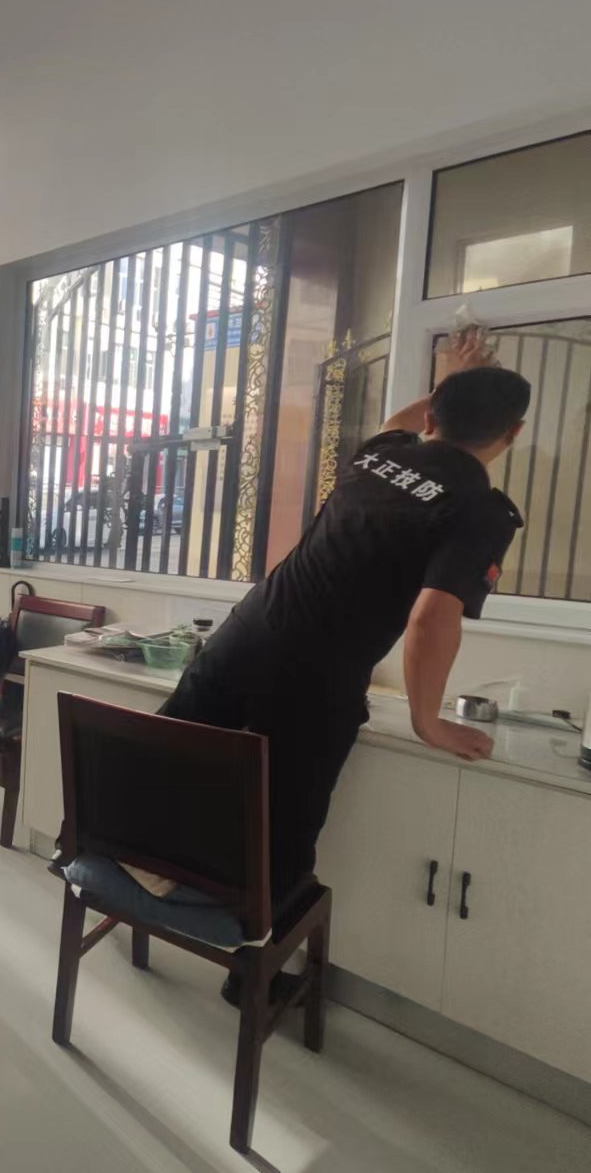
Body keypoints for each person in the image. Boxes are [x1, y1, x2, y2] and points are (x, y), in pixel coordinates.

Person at [159, 328, 527, 999]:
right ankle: (252, 982)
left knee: (164, 756)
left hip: (244, 635)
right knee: (282, 833)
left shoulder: (380, 456)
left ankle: (129, 873)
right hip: (313, 679)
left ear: (431, 416)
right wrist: (428, 722)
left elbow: (401, 423)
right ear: (513, 434)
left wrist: (447, 378)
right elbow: (431, 619)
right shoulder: (480, 511)